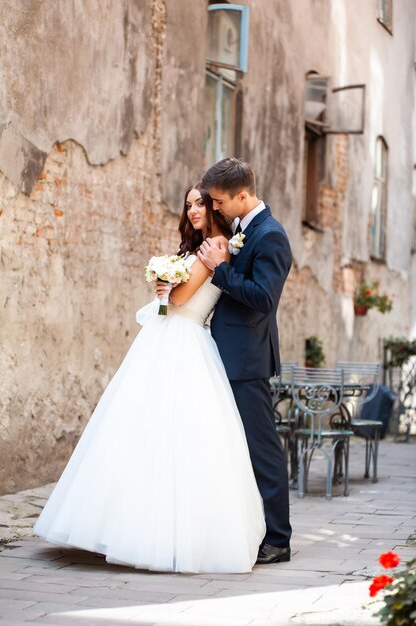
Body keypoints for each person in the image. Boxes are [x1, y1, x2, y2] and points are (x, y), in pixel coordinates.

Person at [34, 183, 266, 574]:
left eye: (201, 204)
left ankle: (172, 535)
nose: (193, 211)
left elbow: (178, 301)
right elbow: (168, 302)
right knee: (137, 430)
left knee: (177, 435)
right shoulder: (196, 250)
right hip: (166, 338)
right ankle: (118, 524)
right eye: (188, 204)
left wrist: (166, 287)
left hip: (186, 341)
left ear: (216, 207)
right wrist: (164, 285)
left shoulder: (216, 249)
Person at [198, 158, 292, 564]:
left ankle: (278, 539)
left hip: (248, 359)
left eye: (219, 201)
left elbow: (262, 299)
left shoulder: (271, 236)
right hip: (227, 355)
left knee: (262, 450)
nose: (214, 207)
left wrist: (220, 270)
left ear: (242, 195)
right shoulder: (240, 229)